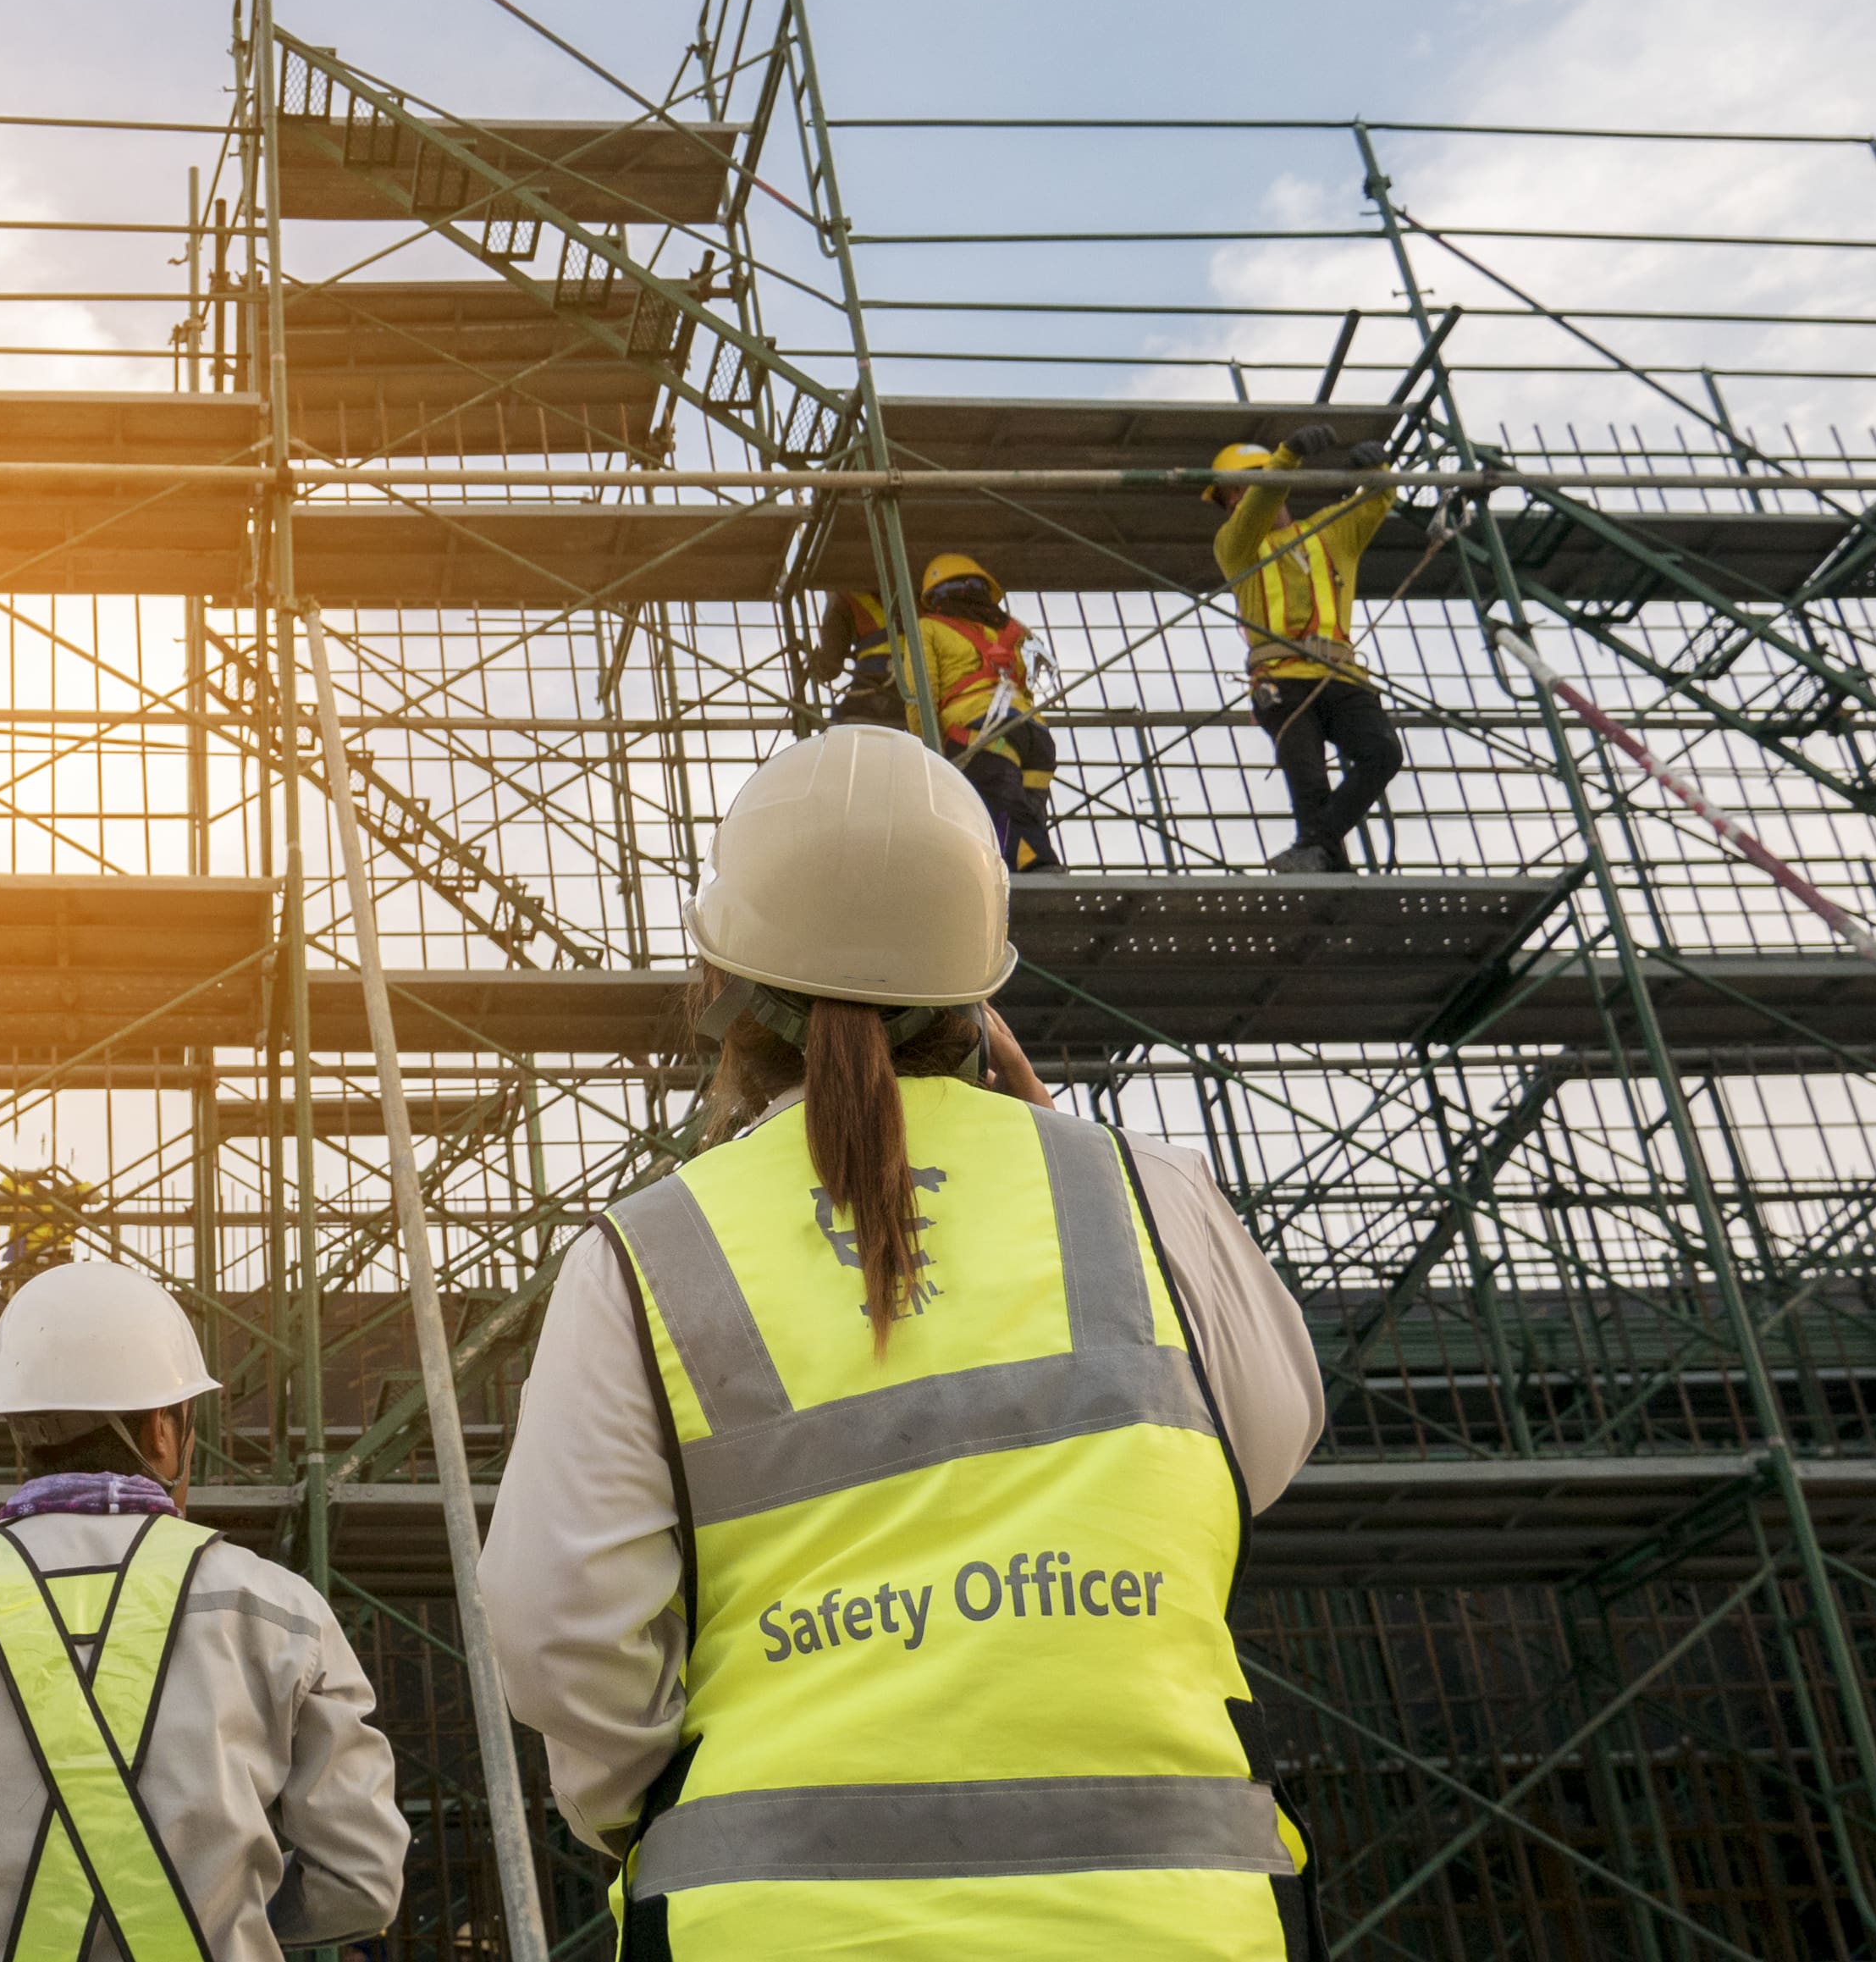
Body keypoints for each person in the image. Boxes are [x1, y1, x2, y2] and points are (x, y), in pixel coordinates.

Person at [488, 725, 1329, 1955]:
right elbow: (1252, 1449)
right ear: (976, 997)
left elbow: (557, 1623)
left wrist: (655, 1805)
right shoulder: (1144, 1195)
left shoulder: (647, 1253)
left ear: (718, 985)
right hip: (1183, 1925)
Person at [0, 1258, 406, 1960]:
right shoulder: (281, 1612)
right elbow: (363, 1878)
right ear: (163, 1433)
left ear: (20, 1431)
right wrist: (238, 1910)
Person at [1211, 424, 1406, 873]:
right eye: (1232, 494)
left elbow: (1377, 500)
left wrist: (1377, 468)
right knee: (1309, 781)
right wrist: (1286, 458)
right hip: (1280, 682)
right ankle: (1329, 869)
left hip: (1340, 677)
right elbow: (1261, 503)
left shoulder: (1330, 535)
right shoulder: (1235, 547)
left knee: (1383, 753)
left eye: (1246, 487)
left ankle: (1314, 849)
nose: (1241, 499)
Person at [802, 561, 1063, 870]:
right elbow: (1033, 677)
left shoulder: (854, 601)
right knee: (1022, 807)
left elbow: (918, 689)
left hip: (889, 711)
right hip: (1029, 727)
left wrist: (930, 748)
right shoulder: (1008, 628)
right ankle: (1034, 864)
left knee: (984, 802)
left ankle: (1010, 867)